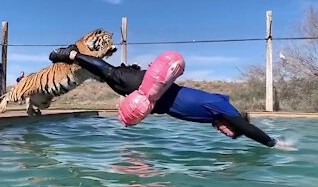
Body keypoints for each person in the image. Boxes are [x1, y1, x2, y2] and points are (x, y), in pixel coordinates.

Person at [49, 46, 293, 150]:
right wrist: (272, 143)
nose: (225, 133)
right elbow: (247, 128)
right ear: (233, 121)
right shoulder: (221, 108)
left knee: (110, 79)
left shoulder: (214, 114)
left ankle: (76, 57)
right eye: (230, 132)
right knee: (110, 73)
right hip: (148, 86)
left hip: (149, 95)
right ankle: (71, 54)